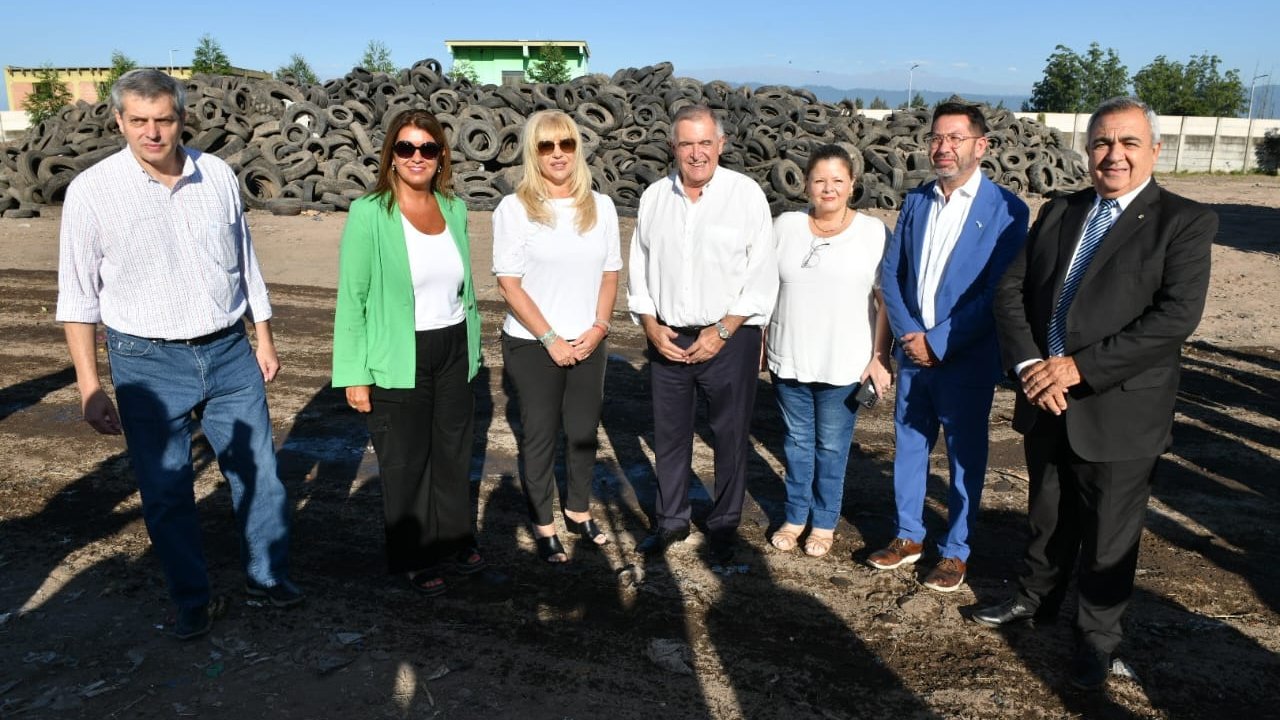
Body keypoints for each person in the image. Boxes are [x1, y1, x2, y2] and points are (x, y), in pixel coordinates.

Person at [974, 97, 1216, 690]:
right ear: (1087, 151)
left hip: (1119, 405)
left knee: (1110, 532)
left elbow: (1174, 318)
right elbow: (1011, 291)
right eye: (1103, 143)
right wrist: (1033, 364)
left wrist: (1076, 369)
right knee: (1048, 512)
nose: (1115, 155)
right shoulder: (1060, 211)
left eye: (1129, 143)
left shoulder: (1183, 222)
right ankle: (1036, 598)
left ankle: (1097, 638)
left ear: (1155, 151)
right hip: (1044, 394)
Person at [56, 69, 300, 641]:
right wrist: (90, 386)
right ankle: (192, 597)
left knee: (260, 473)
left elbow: (245, 262)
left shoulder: (215, 174)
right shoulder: (92, 191)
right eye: (138, 121)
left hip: (227, 350)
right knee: (167, 492)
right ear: (119, 121)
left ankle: (267, 577)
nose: (152, 132)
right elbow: (77, 295)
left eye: (163, 119)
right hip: (146, 361)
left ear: (181, 117)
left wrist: (262, 335)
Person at [873, 101, 1029, 592]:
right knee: (910, 445)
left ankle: (956, 549)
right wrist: (906, 335)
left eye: (955, 138)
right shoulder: (917, 201)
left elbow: (997, 291)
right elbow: (891, 275)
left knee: (965, 456)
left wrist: (939, 341)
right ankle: (908, 535)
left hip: (965, 355)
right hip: (913, 352)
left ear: (980, 146)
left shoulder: (1006, 210)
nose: (943, 148)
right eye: (936, 138)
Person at [332, 108, 484, 597]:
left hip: (453, 346)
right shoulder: (369, 214)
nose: (417, 156)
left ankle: (455, 537)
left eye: (427, 148)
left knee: (453, 452)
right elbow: (351, 300)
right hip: (400, 352)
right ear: (391, 157)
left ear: (441, 156)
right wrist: (354, 373)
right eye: (406, 148)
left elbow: (465, 288)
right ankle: (415, 555)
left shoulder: (454, 208)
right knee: (406, 459)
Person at [627, 104, 778, 565]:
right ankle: (671, 520)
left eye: (705, 143)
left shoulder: (745, 194)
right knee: (670, 436)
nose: (696, 153)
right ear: (673, 147)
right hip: (668, 336)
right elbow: (639, 265)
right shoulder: (655, 197)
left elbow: (761, 269)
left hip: (729, 339)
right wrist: (650, 325)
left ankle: (724, 523)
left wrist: (724, 330)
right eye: (687, 144)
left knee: (730, 435)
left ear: (721, 145)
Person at [492, 110, 622, 563]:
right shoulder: (515, 209)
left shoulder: (600, 206)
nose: (557, 154)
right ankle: (544, 524)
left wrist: (599, 328)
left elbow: (610, 275)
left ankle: (579, 510)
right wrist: (550, 338)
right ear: (533, 152)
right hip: (533, 343)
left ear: (576, 147)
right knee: (541, 435)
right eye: (546, 146)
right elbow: (509, 283)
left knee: (584, 433)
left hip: (589, 339)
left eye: (565, 143)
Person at [766, 144, 892, 558]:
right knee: (796, 445)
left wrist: (880, 356)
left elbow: (884, 301)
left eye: (838, 180)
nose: (828, 188)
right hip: (790, 357)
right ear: (806, 184)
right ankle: (795, 516)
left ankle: (823, 522)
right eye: (820, 180)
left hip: (845, 365)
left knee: (832, 448)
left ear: (852, 184)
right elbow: (765, 288)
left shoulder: (872, 232)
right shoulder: (784, 226)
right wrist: (760, 341)